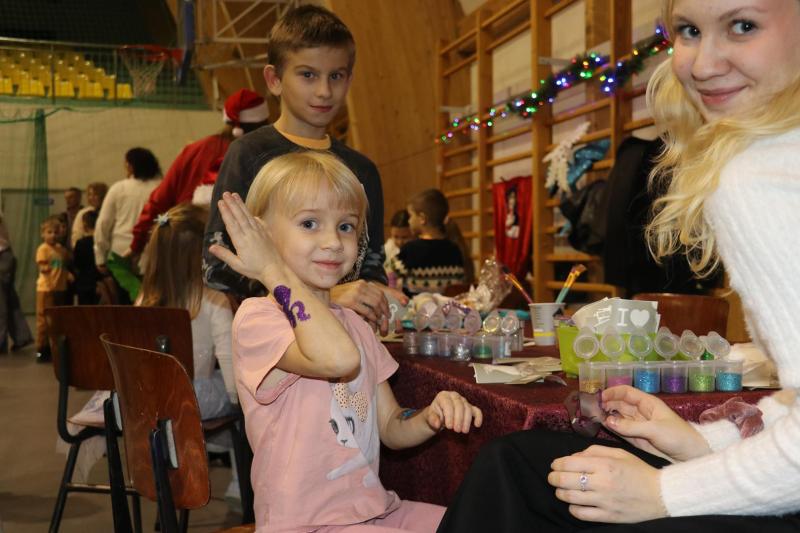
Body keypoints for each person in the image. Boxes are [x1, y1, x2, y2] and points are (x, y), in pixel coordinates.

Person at [438, 0, 800, 531]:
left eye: (743, 26)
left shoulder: (757, 179)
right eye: (689, 31)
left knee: (515, 473)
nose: (702, 64)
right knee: (521, 466)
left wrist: (662, 492)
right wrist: (702, 440)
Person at [209, 151, 483, 532]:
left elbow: (391, 425)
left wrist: (429, 416)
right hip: (305, 525)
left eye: (345, 226)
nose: (333, 241)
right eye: (309, 223)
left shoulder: (355, 325)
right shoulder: (258, 319)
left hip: (374, 510)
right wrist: (272, 268)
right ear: (263, 235)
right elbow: (338, 359)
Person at [203, 5, 406, 334]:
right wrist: (323, 297)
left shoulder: (362, 171)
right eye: (308, 75)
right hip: (277, 340)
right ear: (274, 80)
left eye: (336, 76)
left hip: (348, 336)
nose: (324, 91)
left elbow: (370, 263)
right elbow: (218, 266)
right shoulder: (249, 155)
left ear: (349, 79)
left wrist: (377, 293)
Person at [128, 89, 269, 260]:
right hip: (238, 256)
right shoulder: (266, 158)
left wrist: (136, 244)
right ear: (264, 123)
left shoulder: (194, 150)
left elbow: (158, 200)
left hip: (183, 249)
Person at [94, 147, 162, 304]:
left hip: (121, 256)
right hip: (154, 255)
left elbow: (103, 223)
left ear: (130, 166)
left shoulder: (119, 188)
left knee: (124, 307)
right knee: (152, 305)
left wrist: (100, 256)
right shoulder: (161, 187)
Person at [388, 189, 469, 296]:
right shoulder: (455, 250)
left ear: (422, 218)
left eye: (411, 216)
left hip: (415, 306)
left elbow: (389, 274)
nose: (409, 221)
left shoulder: (410, 250)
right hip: (447, 306)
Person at [35, 216, 72, 363]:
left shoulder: (61, 250)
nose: (53, 235)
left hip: (60, 288)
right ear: (43, 234)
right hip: (46, 289)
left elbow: (62, 266)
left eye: (56, 232)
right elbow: (43, 266)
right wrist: (46, 268)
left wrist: (67, 274)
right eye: (49, 232)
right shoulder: (43, 249)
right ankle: (41, 348)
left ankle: (54, 348)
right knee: (43, 319)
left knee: (56, 320)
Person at [0, 208, 33, 353]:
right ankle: (22, 336)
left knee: (1, 301)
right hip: (5, 255)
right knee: (9, 299)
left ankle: (1, 342)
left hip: (2, 256)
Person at [73, 210, 102, 305]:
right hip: (98, 281)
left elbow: (77, 263)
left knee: (84, 310)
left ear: (84, 225)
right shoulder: (100, 242)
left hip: (83, 282)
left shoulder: (80, 243)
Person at [70, 182, 108, 248]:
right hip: (87, 247)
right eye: (89, 194)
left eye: (95, 194)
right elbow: (77, 234)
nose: (91, 197)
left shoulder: (108, 212)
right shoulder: (82, 213)